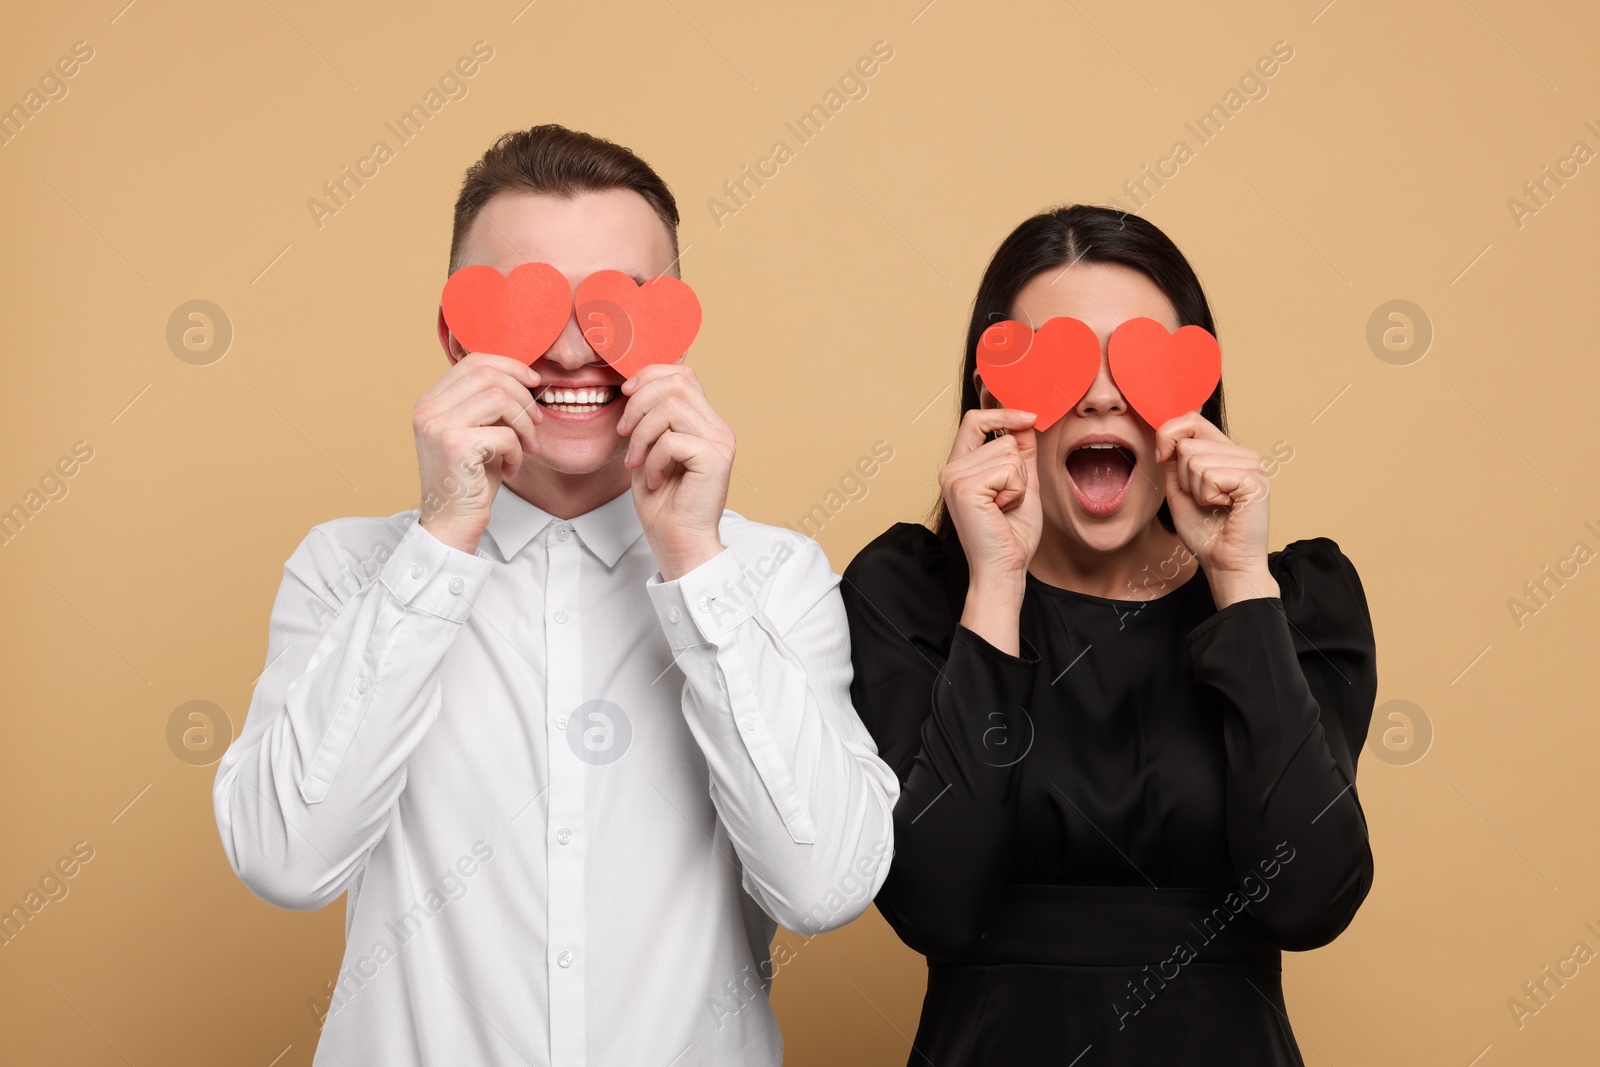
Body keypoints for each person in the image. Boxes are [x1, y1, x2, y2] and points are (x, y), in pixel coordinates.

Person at [213, 124, 899, 1067]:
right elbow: (286, 858)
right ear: (457, 336)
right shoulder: (344, 570)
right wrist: (443, 533)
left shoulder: (773, 577)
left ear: (676, 330)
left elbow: (824, 887)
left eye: (618, 306)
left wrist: (694, 558)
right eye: (531, 308)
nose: (577, 350)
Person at [841, 205, 1377, 1064]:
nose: (1097, 394)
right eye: (1058, 363)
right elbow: (935, 904)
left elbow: (1311, 898)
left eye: (1135, 363)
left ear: (1193, 398)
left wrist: (1239, 583)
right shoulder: (911, 594)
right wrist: (997, 581)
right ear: (995, 398)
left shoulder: (1301, 601)